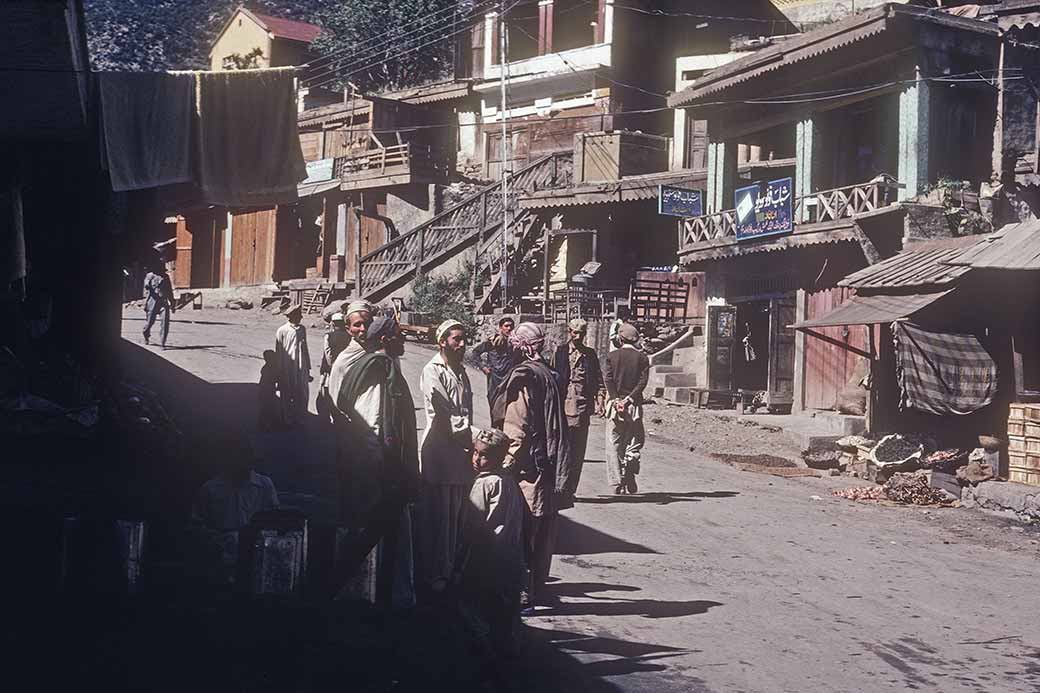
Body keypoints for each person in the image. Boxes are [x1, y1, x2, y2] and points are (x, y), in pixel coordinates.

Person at [330, 314, 418, 609]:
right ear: (384, 339)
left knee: (386, 532)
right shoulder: (378, 370)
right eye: (398, 335)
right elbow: (371, 423)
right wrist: (381, 468)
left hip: (381, 468)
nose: (403, 339)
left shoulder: (384, 365)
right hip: (377, 470)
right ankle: (357, 595)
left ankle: (385, 595)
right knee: (372, 533)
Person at [492, 322, 569, 610]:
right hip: (547, 462)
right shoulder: (547, 372)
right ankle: (537, 587)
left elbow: (517, 428)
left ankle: (524, 592)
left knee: (524, 529)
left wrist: (505, 464)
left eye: (513, 343)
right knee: (543, 529)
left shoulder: (524, 377)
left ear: (520, 346)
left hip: (529, 468)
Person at [417, 319, 476, 598]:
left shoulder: (461, 371)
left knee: (457, 515)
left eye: (464, 339)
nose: (462, 344)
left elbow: (466, 411)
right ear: (442, 342)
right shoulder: (433, 371)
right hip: (440, 449)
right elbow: (445, 413)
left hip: (459, 451)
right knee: (440, 516)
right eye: (456, 339)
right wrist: (477, 437)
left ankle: (451, 571)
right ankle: (435, 576)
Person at [454, 428, 525, 655]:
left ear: (499, 457)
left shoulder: (484, 484)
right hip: (509, 557)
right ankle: (506, 650)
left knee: (472, 606)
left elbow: (471, 525)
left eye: (484, 455)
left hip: (484, 556)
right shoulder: (509, 481)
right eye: (475, 452)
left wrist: (460, 558)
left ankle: (482, 650)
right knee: (503, 611)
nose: (477, 459)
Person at [190, 443, 279, 585]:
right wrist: (219, 540)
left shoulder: (265, 485)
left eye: (245, 458)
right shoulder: (210, 489)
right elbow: (196, 525)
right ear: (228, 459)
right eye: (237, 458)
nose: (241, 463)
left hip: (256, 555)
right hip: (219, 558)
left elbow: (275, 521)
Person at [552, 318, 602, 504]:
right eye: (575, 332)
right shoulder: (560, 352)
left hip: (581, 406)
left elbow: (598, 379)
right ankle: (558, 486)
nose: (578, 336)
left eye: (581, 333)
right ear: (569, 332)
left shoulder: (590, 355)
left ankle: (570, 489)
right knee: (561, 448)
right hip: (562, 405)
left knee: (577, 450)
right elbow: (552, 376)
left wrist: (599, 399)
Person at [603, 322, 650, 495]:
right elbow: (642, 382)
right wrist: (629, 399)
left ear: (620, 339)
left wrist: (616, 399)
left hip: (615, 407)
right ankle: (630, 467)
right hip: (634, 406)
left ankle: (616, 481)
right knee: (634, 441)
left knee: (613, 443)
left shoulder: (612, 356)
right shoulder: (642, 358)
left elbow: (608, 380)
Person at [274, 303, 311, 428]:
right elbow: (279, 350)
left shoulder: (302, 329)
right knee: (286, 392)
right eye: (298, 315)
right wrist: (279, 370)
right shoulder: (282, 330)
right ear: (291, 316)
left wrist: (308, 367)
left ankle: (300, 418)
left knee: (302, 392)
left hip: (301, 365)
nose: (300, 318)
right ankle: (287, 419)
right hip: (287, 366)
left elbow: (305, 348)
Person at [471, 317, 519, 411]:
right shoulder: (493, 341)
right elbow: (475, 352)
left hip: (509, 377)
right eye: (506, 326)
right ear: (501, 328)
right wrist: (483, 367)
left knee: (510, 404)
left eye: (511, 326)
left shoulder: (516, 343)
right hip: (495, 378)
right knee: (494, 402)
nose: (509, 328)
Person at [317, 313, 351, 422]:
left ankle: (326, 418)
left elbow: (328, 354)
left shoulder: (329, 336)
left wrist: (332, 367)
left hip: (329, 371)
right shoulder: (350, 337)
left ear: (333, 323)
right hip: (344, 371)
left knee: (325, 395)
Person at [142, 262, 175, 348]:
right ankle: (146, 334)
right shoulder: (150, 275)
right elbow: (146, 285)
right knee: (149, 323)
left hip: (163, 302)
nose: (161, 271)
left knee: (165, 323)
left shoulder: (166, 277)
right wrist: (148, 285)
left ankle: (163, 342)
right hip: (152, 302)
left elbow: (169, 291)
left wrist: (172, 303)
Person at [257, 349, 279, 431]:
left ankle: (264, 424)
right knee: (268, 408)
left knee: (266, 408)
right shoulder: (268, 368)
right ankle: (266, 425)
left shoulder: (267, 367)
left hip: (265, 390)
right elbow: (273, 379)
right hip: (267, 391)